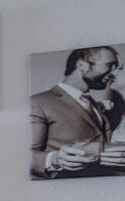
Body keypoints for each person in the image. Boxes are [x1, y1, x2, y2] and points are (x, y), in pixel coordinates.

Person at [28, 45, 124, 180]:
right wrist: (54, 159)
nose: (114, 73)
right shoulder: (38, 103)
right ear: (82, 65)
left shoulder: (93, 104)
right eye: (110, 65)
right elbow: (22, 156)